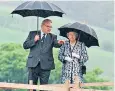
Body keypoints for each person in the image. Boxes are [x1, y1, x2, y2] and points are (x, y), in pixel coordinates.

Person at [23, 19, 64, 91]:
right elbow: (25, 45)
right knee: (31, 87)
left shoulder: (52, 36)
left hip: (46, 66)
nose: (49, 28)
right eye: (48, 26)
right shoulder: (32, 34)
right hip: (33, 64)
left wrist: (60, 43)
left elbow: (56, 43)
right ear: (42, 26)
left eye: (51, 27)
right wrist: (34, 40)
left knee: (44, 88)